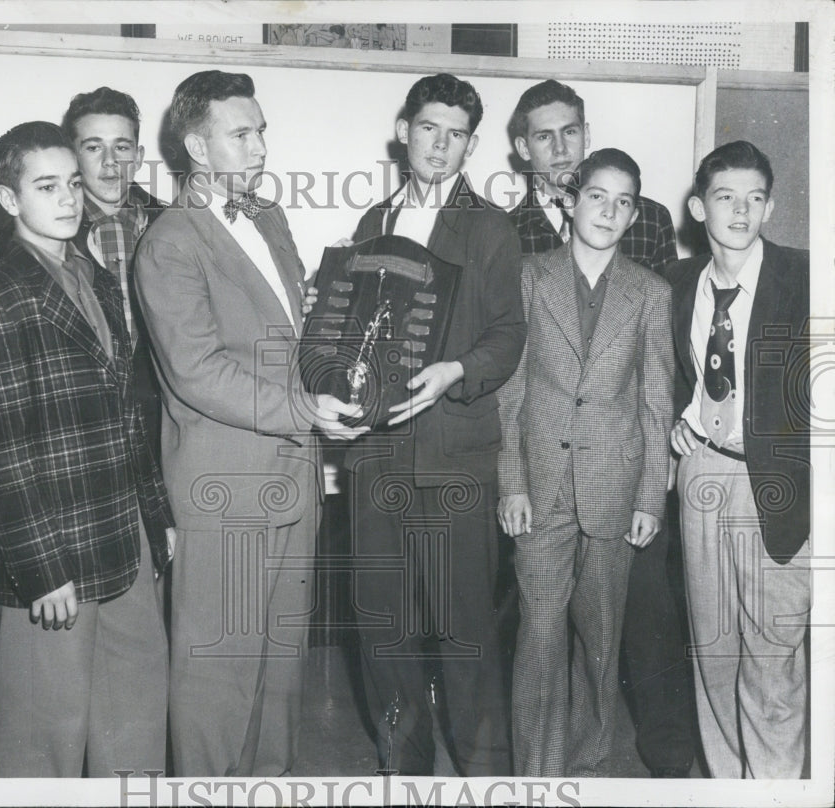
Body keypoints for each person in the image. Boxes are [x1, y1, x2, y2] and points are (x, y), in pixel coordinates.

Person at [133, 70, 364, 777]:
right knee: (219, 674)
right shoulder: (169, 242)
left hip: (293, 475)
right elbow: (197, 371)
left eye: (262, 131)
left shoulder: (269, 216)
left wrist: (327, 315)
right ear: (197, 149)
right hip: (225, 486)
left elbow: (283, 333)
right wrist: (306, 410)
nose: (261, 146)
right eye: (242, 134)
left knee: (282, 666)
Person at [0, 121, 174, 778]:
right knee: (42, 736)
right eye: (47, 186)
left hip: (125, 531)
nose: (70, 198)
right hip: (52, 550)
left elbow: (128, 411)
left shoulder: (96, 277)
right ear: (9, 199)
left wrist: (157, 516)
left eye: (73, 183)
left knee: (135, 715)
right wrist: (40, 569)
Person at [507, 78, 694, 777]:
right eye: (597, 196)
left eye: (623, 202)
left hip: (615, 488)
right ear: (570, 199)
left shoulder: (650, 292)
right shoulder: (529, 276)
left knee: (602, 638)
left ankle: (585, 764)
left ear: (633, 213)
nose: (609, 211)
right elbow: (511, 391)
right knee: (539, 633)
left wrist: (651, 497)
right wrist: (511, 482)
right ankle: (537, 775)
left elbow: (656, 402)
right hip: (542, 486)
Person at [346, 73, 526, 776]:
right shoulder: (372, 223)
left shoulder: (490, 227)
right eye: (429, 128)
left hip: (455, 458)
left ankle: (487, 781)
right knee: (383, 631)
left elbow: (508, 336)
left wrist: (456, 371)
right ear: (405, 131)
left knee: (465, 634)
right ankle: (406, 773)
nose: (440, 145)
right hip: (378, 459)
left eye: (456, 135)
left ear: (471, 146)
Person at [667, 140, 810, 778]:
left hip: (778, 481)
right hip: (702, 469)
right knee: (714, 651)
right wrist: (678, 419)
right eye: (726, 197)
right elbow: (667, 373)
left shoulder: (806, 277)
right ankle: (730, 785)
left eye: (755, 198)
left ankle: (774, 787)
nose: (741, 211)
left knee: (773, 653)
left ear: (770, 207)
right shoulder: (676, 284)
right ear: (699, 207)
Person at [62, 86, 165, 454]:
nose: (109, 162)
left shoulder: (177, 226)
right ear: (72, 155)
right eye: (93, 147)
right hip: (82, 430)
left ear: (138, 157)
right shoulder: (45, 235)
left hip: (162, 427)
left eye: (121, 147)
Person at [508, 80, 678, 276]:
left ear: (586, 135)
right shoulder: (508, 232)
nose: (560, 148)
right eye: (544, 137)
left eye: (569, 132)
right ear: (523, 148)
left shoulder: (651, 220)